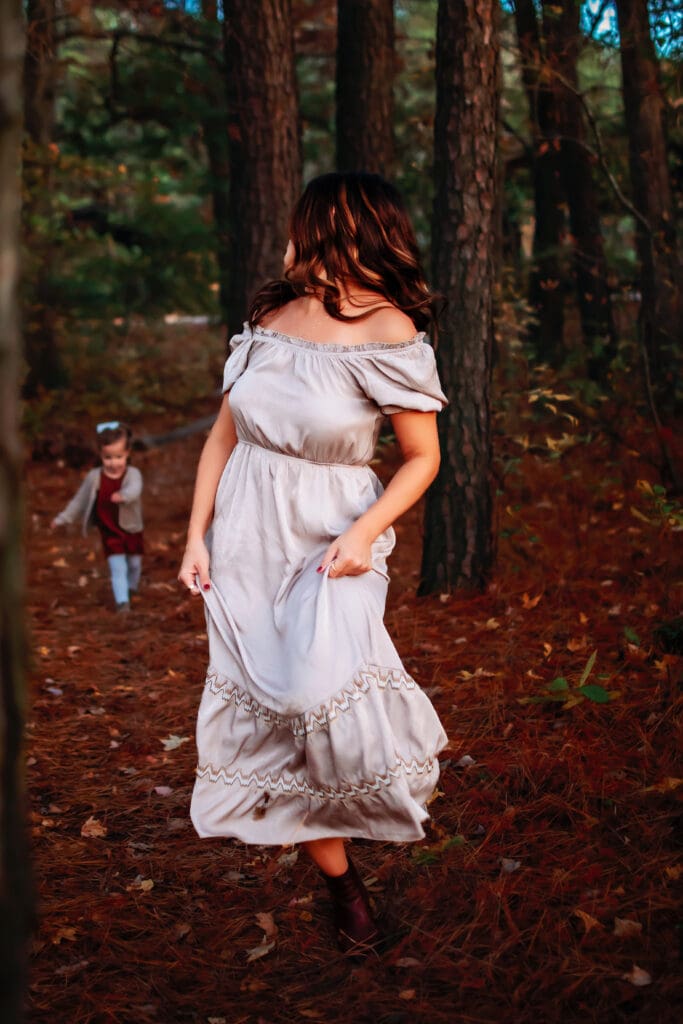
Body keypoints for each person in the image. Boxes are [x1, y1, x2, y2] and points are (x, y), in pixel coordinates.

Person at [178, 172, 448, 954]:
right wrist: (196, 536)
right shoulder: (268, 314)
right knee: (274, 724)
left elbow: (422, 458)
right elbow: (221, 440)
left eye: (304, 223)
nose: (290, 237)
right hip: (245, 536)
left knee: (312, 696)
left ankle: (380, 808)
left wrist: (364, 533)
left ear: (336, 228)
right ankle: (341, 882)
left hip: (333, 536)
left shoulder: (388, 328)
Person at [52, 421, 144, 612]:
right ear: (101, 455)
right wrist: (62, 518)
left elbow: (135, 489)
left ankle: (132, 587)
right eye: (108, 457)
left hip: (132, 528)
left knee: (134, 563)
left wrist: (124, 495)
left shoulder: (132, 474)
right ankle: (122, 602)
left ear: (127, 454)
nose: (113, 462)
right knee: (117, 567)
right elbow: (79, 501)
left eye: (118, 457)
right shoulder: (95, 477)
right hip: (109, 530)